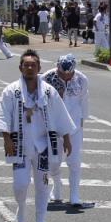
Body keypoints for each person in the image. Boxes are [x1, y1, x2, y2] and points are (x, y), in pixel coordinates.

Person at [0, 50, 75, 222]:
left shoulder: (48, 91)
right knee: (20, 185)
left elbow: (61, 115)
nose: (30, 68)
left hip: (44, 147)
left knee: (43, 184)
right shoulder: (11, 91)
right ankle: (21, 207)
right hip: (20, 146)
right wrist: (6, 139)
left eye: (33, 65)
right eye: (26, 65)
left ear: (39, 68)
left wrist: (67, 139)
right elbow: (4, 115)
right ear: (20, 67)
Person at [44, 54, 90, 207]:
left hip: (74, 126)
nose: (65, 76)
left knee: (74, 161)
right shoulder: (47, 78)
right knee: (53, 162)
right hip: (53, 127)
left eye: (68, 73)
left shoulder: (81, 79)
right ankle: (57, 185)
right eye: (62, 73)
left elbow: (84, 101)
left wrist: (82, 122)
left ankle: (74, 195)